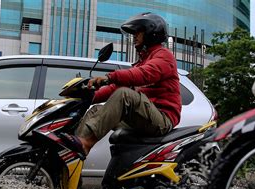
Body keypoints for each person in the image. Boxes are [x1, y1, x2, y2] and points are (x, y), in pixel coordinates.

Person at [63, 12, 181, 156]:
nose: (134, 37)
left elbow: (143, 75)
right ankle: (73, 157)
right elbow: (116, 87)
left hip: (162, 119)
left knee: (124, 95)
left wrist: (108, 77)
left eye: (138, 32)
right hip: (143, 118)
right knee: (95, 111)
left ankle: (86, 143)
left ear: (151, 33)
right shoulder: (143, 60)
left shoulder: (164, 55)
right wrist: (89, 97)